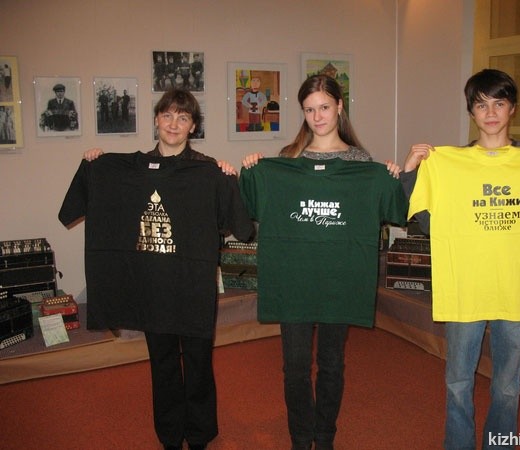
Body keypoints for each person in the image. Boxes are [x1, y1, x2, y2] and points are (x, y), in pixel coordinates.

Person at [401, 68, 520, 450]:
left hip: (516, 288)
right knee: (457, 381)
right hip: (466, 286)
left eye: (499, 103)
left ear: (512, 108)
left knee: (507, 385)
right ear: (471, 111)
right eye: (481, 104)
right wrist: (409, 175)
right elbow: (429, 225)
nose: (490, 112)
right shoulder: (450, 163)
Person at [59, 88, 255, 450]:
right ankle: (169, 434)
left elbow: (238, 227)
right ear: (156, 120)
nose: (174, 124)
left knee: (198, 360)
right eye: (167, 115)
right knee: (162, 361)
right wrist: (93, 165)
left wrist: (228, 178)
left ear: (193, 126)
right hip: (151, 285)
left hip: (192, 285)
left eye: (183, 117)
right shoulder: (124, 171)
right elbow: (77, 206)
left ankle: (199, 434)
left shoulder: (208, 170)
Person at [239, 74, 406, 450]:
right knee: (295, 365)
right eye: (309, 110)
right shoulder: (288, 160)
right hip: (293, 278)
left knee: (331, 362)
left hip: (339, 278)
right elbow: (256, 206)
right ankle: (301, 437)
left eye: (324, 107)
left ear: (340, 107)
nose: (317, 117)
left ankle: (325, 435)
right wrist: (252, 169)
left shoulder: (361, 162)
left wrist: (392, 178)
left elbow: (387, 208)